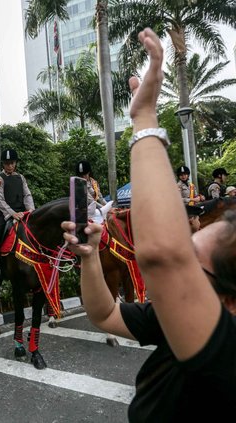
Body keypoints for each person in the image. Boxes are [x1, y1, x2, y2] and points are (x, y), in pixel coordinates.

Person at [61, 28, 236, 422]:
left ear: (229, 300)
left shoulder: (227, 347)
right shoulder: (169, 319)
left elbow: (162, 255)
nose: (184, 264)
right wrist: (89, 258)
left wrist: (144, 117)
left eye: (194, 264)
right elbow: (105, 314)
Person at [0, 149, 34, 277]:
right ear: (3, 164)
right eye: (7, 163)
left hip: (21, 212)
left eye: (12, 163)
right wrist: (12, 214)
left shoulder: (21, 178)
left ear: (15, 163)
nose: (10, 166)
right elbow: (0, 200)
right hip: (3, 214)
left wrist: (31, 210)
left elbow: (27, 195)